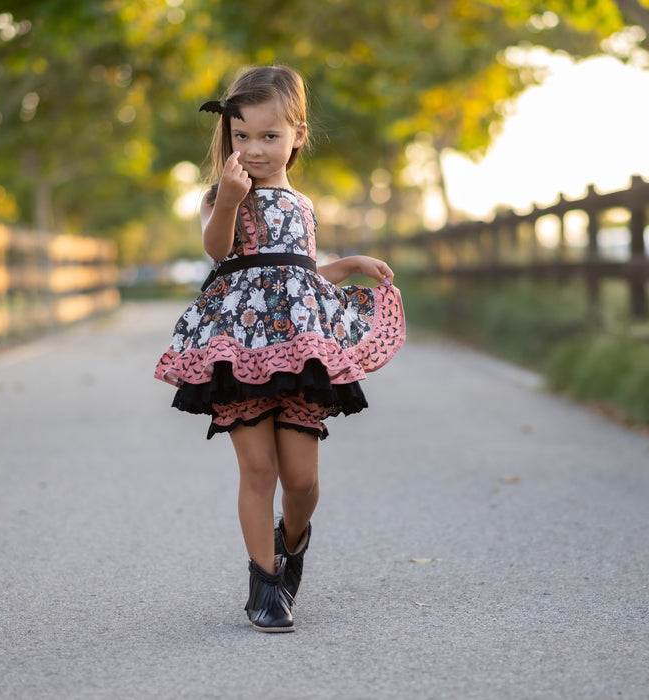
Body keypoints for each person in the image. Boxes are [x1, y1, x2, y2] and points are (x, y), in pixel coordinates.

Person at [154, 65, 405, 633]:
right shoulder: (222, 194)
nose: (255, 149)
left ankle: (291, 545)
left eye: (269, 136)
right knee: (259, 468)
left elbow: (298, 274)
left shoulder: (304, 205)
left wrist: (350, 266)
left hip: (298, 352)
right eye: (242, 137)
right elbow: (221, 252)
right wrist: (229, 201)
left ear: (298, 135)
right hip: (238, 348)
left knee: (302, 481)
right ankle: (264, 585)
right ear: (228, 137)